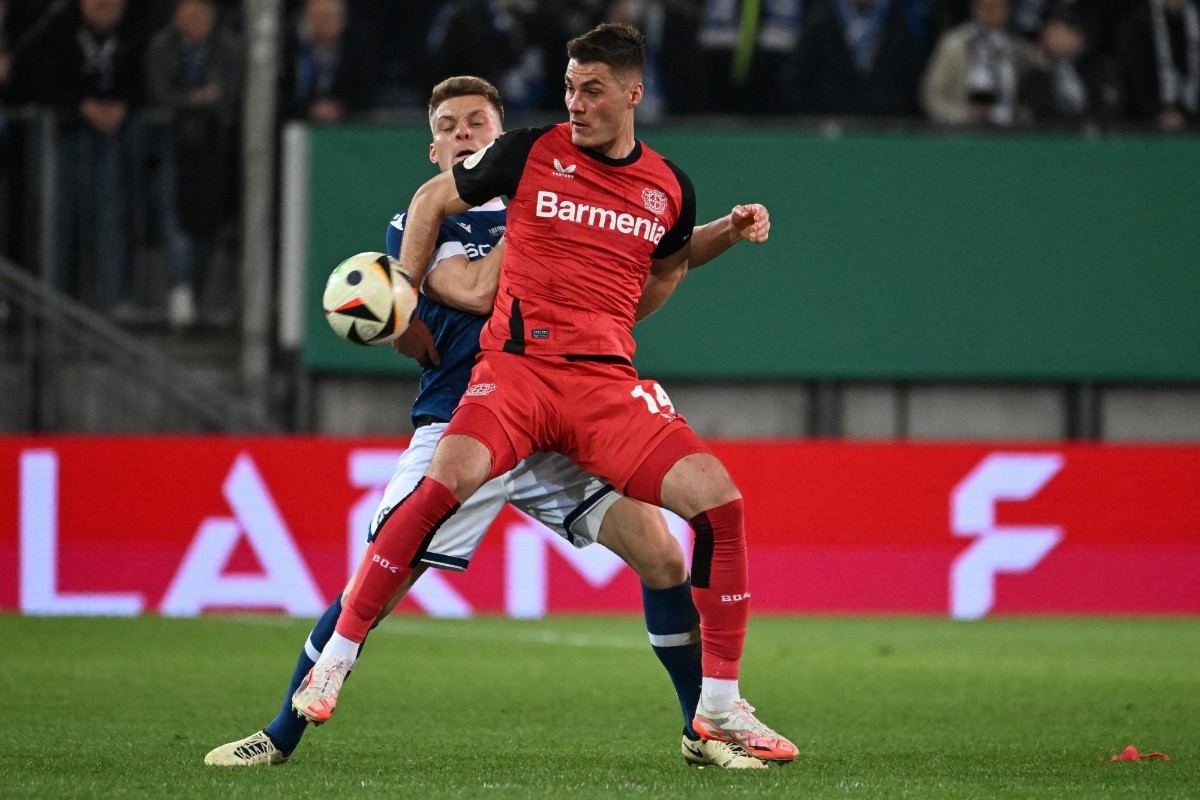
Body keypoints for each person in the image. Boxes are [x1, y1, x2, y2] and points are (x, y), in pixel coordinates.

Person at [205, 74, 775, 769]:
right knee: (377, 586)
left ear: (501, 137)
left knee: (662, 557)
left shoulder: (554, 198)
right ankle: (279, 734)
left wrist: (722, 231)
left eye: (477, 122)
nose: (463, 134)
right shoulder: (421, 225)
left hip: (557, 418)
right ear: (434, 149)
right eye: (447, 126)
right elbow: (475, 293)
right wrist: (534, 220)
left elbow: (653, 257)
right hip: (464, 420)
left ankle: (701, 730)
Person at [145, 0, 242, 329]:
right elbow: (161, 95)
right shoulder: (162, 46)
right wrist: (196, 100)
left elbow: (227, 95)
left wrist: (189, 101)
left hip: (214, 149)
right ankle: (180, 287)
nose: (193, 21)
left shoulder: (227, 48)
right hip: (172, 145)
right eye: (187, 14)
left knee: (206, 222)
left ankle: (194, 292)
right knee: (174, 216)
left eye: (200, 14)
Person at [922, 0, 1035, 126]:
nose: (991, 12)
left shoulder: (1016, 47)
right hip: (965, 130)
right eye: (986, 6)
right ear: (975, 8)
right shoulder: (955, 45)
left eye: (997, 7)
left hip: (1010, 129)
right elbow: (932, 96)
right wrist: (962, 115)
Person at [277, 0, 376, 124]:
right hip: (290, 121)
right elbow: (275, 94)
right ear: (307, 16)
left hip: (339, 123)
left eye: (336, 18)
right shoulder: (283, 41)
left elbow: (365, 92)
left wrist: (340, 107)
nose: (330, 25)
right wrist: (308, 109)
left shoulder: (355, 43)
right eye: (323, 18)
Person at [1117, 0, 1200, 131]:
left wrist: (1186, 114)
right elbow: (1135, 74)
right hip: (1147, 120)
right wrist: (1158, 113)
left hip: (1194, 117)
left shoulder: (1194, 15)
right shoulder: (1139, 19)